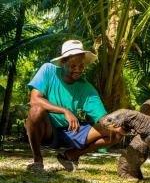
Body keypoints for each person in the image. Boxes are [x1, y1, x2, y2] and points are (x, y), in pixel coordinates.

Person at [25, 39, 123, 173]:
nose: (78, 70)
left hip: (73, 131)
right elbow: (34, 99)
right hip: (48, 130)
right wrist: (65, 111)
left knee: (115, 133)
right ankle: (37, 161)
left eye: (81, 66)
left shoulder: (87, 88)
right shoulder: (48, 70)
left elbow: (102, 118)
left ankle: (72, 155)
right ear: (63, 63)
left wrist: (121, 123)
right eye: (73, 66)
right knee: (35, 111)